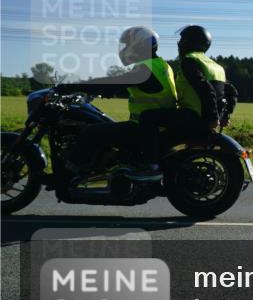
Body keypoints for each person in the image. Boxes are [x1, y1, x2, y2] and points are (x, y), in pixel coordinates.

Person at [56, 26, 177, 182]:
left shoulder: (145, 68)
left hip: (145, 127)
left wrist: (72, 86)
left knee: (91, 132)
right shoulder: (160, 65)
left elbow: (115, 82)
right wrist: (104, 91)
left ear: (140, 45)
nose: (125, 49)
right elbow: (134, 87)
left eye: (127, 45)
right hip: (156, 125)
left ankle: (70, 175)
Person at [138, 24, 237, 143]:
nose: (179, 44)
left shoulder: (189, 60)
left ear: (189, 42)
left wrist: (213, 118)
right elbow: (232, 91)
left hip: (195, 117)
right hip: (205, 118)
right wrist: (225, 116)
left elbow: (206, 88)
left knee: (147, 117)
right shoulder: (214, 65)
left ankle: (150, 160)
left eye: (182, 40)